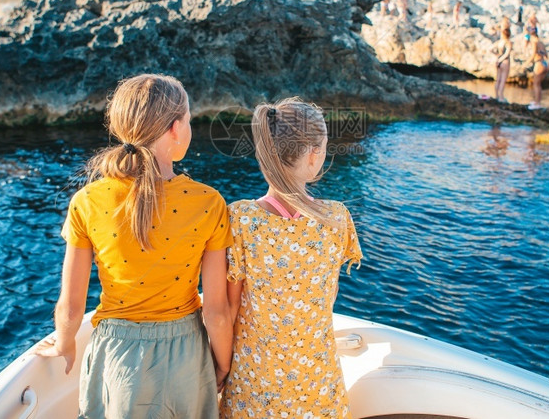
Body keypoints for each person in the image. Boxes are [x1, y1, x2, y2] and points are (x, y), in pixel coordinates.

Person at [36, 74, 233, 419]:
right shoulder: (208, 203)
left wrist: (65, 341)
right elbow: (216, 312)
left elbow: (70, 305)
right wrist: (222, 365)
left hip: (116, 354)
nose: (189, 128)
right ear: (175, 128)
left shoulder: (87, 201)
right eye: (189, 120)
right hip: (186, 352)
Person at [219, 98, 363, 419]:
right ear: (314, 155)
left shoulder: (240, 219)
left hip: (254, 384)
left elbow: (229, 309)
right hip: (317, 383)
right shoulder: (336, 219)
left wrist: (220, 369)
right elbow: (326, 299)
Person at [529, 33, 548, 110]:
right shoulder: (542, 43)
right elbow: (546, 55)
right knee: (539, 84)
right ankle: (538, 102)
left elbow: (533, 54)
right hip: (544, 63)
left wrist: (527, 62)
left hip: (538, 63)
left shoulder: (535, 43)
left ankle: (537, 103)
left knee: (536, 84)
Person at [493, 26, 513, 103]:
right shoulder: (508, 42)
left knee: (498, 79)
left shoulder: (499, 42)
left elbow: (490, 49)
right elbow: (507, 54)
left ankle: (496, 96)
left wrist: (497, 56)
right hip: (505, 61)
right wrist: (500, 60)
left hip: (498, 60)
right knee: (503, 80)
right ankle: (501, 97)